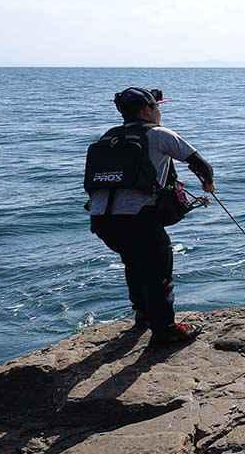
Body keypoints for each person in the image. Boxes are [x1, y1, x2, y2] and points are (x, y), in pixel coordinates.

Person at [85, 87, 215, 347]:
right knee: (158, 268)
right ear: (146, 110)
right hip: (139, 218)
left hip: (102, 220)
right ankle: (165, 329)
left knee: (134, 263)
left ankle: (143, 315)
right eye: (157, 107)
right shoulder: (159, 134)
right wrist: (208, 184)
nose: (159, 112)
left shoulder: (109, 136)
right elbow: (201, 164)